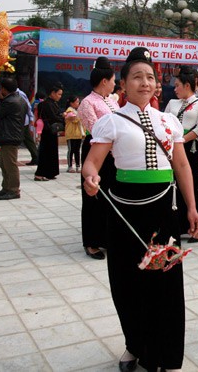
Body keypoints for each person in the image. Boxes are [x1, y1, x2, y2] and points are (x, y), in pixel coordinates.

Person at [82, 47, 198, 372]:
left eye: (150, 77)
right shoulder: (111, 121)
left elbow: (181, 165)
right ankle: (134, 345)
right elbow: (92, 163)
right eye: (137, 77)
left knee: (166, 286)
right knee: (128, 284)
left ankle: (168, 356)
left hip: (163, 212)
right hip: (124, 214)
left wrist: (192, 207)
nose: (145, 82)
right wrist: (90, 177)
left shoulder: (168, 121)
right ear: (123, 84)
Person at [164, 67, 198, 242]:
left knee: (190, 185)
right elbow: (165, 124)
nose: (175, 89)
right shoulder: (172, 103)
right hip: (173, 148)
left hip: (190, 147)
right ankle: (180, 225)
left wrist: (181, 140)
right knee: (175, 184)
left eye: (177, 86)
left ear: (187, 85)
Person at [79, 57, 120, 260]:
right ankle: (92, 242)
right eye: (113, 80)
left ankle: (106, 238)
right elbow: (95, 130)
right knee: (93, 196)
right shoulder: (87, 103)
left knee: (111, 196)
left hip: (113, 154)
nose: (115, 84)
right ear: (104, 81)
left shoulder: (112, 101)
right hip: (96, 152)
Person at [0, 77, 28, 200]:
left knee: (10, 165)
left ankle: (13, 190)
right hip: (12, 134)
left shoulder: (8, 101)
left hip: (9, 135)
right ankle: (6, 188)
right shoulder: (20, 100)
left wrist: (0, 98)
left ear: (3, 89)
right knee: (5, 164)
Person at [34, 84, 64, 181]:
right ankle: (40, 173)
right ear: (53, 93)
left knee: (52, 151)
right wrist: (63, 117)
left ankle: (50, 172)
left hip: (52, 131)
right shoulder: (46, 104)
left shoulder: (53, 103)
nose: (60, 96)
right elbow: (53, 117)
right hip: (47, 130)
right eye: (59, 94)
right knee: (45, 152)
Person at [64, 96, 85, 173]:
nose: (78, 103)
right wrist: (82, 115)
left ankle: (78, 166)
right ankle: (70, 166)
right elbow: (75, 119)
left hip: (78, 134)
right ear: (71, 103)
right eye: (76, 102)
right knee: (71, 150)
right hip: (71, 134)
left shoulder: (77, 111)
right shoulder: (69, 111)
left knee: (77, 150)